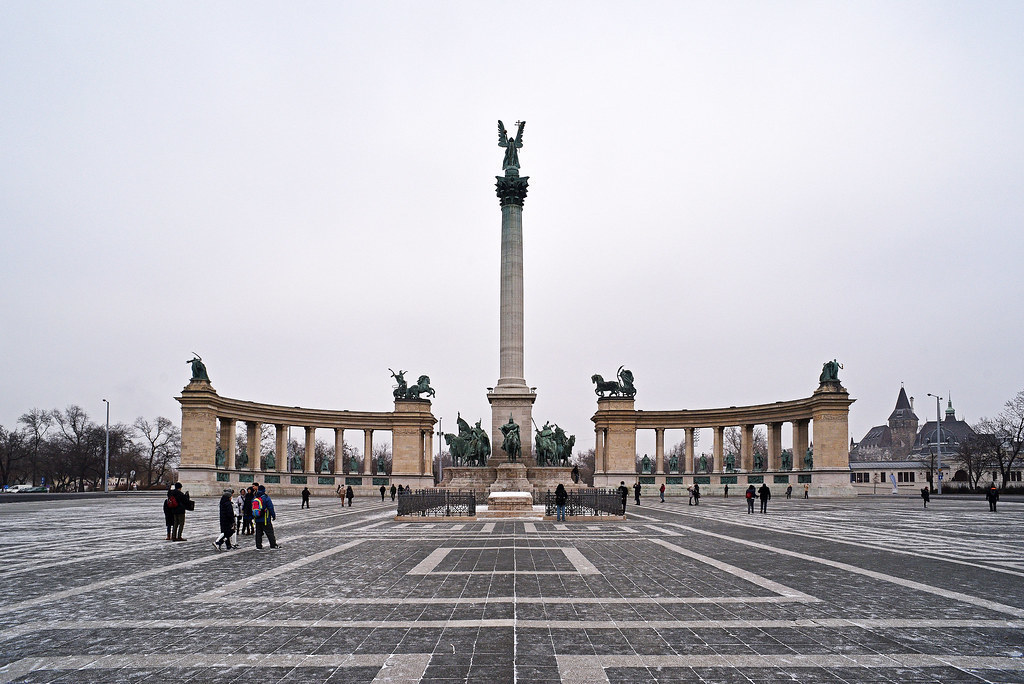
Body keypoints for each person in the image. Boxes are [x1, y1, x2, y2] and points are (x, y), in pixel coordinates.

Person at [254, 485, 280, 549]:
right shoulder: (266, 497)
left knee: (258, 533)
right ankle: (273, 544)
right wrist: (273, 515)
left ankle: (258, 545)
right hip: (265, 519)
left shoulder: (255, 497)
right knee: (269, 532)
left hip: (257, 519)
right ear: (264, 490)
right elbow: (270, 507)